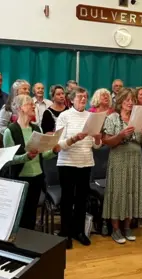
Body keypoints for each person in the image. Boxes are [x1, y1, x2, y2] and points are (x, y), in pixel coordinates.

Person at [102, 88, 142, 244]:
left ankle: (127, 226)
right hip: (119, 159)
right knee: (118, 192)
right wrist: (121, 135)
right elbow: (107, 141)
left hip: (135, 159)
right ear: (120, 101)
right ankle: (116, 229)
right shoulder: (112, 118)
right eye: (127, 100)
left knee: (131, 190)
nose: (130, 103)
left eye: (133, 100)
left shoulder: (138, 117)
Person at [3, 94, 60, 230]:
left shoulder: (36, 128)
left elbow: (43, 155)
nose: (33, 105)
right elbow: (8, 160)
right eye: (29, 103)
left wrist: (54, 151)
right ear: (20, 108)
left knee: (32, 214)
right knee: (21, 217)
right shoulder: (10, 131)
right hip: (21, 179)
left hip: (37, 177)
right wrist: (26, 157)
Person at [56, 87, 102, 248]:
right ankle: (66, 233)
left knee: (82, 199)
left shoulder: (91, 116)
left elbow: (96, 146)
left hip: (86, 162)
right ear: (72, 99)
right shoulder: (64, 116)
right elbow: (59, 144)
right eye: (80, 97)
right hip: (67, 163)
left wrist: (97, 139)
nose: (83, 99)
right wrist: (74, 138)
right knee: (67, 199)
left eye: (85, 97)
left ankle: (79, 231)